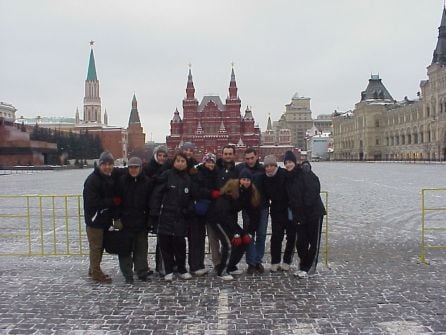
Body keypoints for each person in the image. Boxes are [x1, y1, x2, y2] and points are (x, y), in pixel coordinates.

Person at [208, 169, 260, 280]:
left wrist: (249, 232)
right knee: (228, 243)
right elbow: (224, 212)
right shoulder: (231, 190)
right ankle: (222, 271)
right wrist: (235, 232)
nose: (246, 182)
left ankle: (230, 266)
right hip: (217, 217)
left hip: (228, 219)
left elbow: (254, 215)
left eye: (248, 180)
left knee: (243, 240)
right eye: (243, 179)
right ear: (239, 180)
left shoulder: (249, 193)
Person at [150, 152, 195, 281]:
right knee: (165, 245)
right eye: (178, 161)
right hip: (165, 216)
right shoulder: (167, 175)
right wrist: (155, 212)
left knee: (180, 244)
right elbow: (157, 194)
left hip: (181, 216)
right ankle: (168, 269)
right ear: (174, 162)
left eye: (183, 161)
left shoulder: (188, 178)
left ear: (186, 164)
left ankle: (181, 269)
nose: (180, 163)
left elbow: (192, 197)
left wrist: (189, 209)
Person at [284, 150, 326, 278]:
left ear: (295, 162)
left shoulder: (305, 172)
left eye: (290, 162)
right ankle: (303, 265)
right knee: (301, 242)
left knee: (314, 242)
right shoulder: (288, 177)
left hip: (314, 212)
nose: (288, 165)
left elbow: (314, 188)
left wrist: (305, 205)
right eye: (286, 163)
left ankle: (310, 268)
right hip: (300, 215)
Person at [114, 156, 153, 284]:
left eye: (136, 167)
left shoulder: (147, 182)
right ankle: (127, 274)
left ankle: (142, 271)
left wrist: (149, 219)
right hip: (126, 221)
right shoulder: (121, 182)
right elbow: (117, 201)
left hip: (141, 220)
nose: (133, 170)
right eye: (131, 167)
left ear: (140, 168)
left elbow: (150, 202)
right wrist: (117, 218)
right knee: (125, 249)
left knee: (141, 249)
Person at [82, 151, 117, 284]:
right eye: (105, 164)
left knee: (99, 246)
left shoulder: (106, 177)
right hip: (95, 219)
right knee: (96, 247)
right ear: (100, 165)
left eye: (110, 164)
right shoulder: (93, 180)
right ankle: (96, 273)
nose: (107, 167)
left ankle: (93, 269)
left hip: (102, 219)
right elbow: (92, 202)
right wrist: (111, 201)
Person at [236, 147, 268, 274]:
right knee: (249, 236)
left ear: (256, 156)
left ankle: (257, 261)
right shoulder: (240, 169)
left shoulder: (263, 169)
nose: (250, 161)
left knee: (261, 235)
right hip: (248, 209)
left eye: (252, 158)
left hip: (263, 207)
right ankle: (251, 263)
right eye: (247, 158)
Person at [207, 145, 240, 270]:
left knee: (228, 236)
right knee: (213, 237)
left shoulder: (237, 171)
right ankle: (217, 263)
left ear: (234, 155)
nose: (228, 156)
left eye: (230, 154)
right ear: (222, 154)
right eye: (226, 154)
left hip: (230, 209)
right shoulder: (215, 168)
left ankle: (227, 262)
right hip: (214, 208)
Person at [263, 154, 297, 272]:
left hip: (289, 209)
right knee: (276, 236)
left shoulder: (284, 173)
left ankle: (287, 261)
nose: (269, 168)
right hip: (276, 210)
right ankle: (275, 261)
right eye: (266, 166)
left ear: (275, 165)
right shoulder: (265, 177)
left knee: (291, 236)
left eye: (271, 165)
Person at [189, 153, 220, 276]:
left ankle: (218, 263)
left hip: (213, 210)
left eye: (212, 162)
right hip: (201, 211)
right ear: (204, 162)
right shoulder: (197, 173)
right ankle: (197, 265)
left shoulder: (217, 173)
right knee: (199, 239)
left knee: (215, 237)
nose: (210, 164)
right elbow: (196, 190)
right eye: (208, 162)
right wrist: (211, 193)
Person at [144, 145, 168, 275]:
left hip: (166, 207)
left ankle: (165, 264)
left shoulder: (169, 168)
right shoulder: (148, 168)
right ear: (155, 155)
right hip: (153, 208)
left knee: (165, 238)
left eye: (164, 156)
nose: (162, 158)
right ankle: (155, 266)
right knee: (160, 237)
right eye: (160, 155)